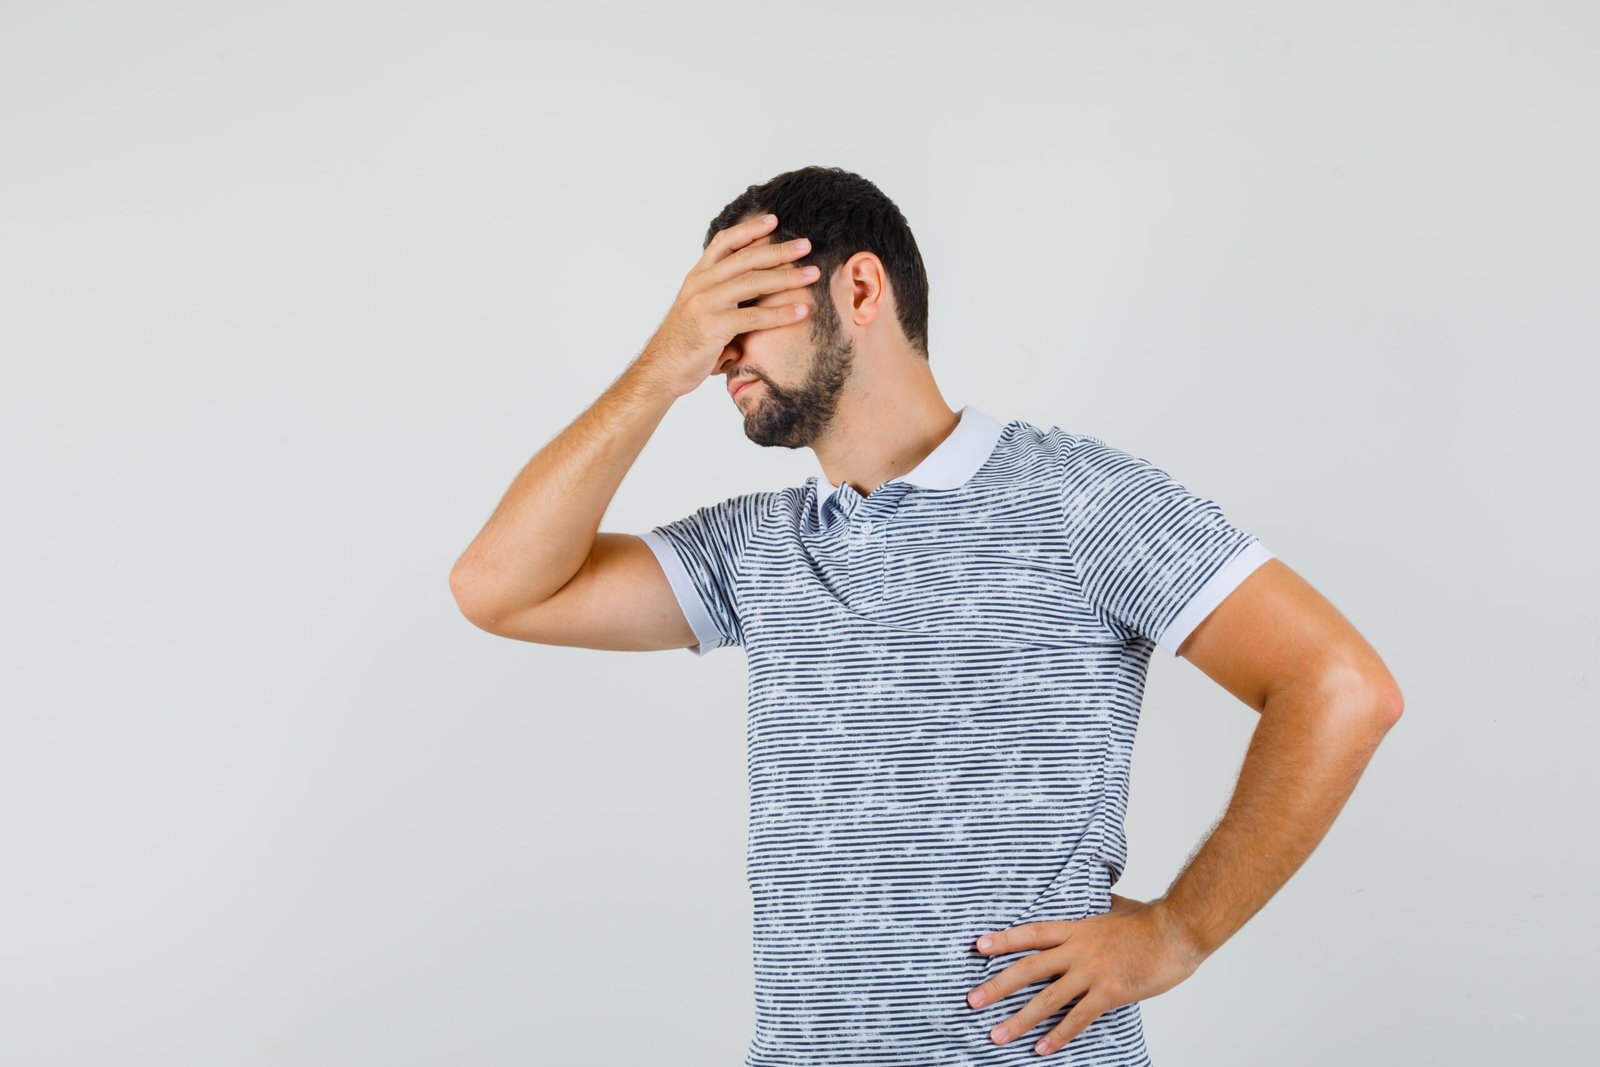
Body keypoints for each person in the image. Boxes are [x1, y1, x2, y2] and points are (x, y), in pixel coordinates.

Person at [449, 165, 1404, 1065]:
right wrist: (658, 367)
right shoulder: (759, 545)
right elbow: (500, 587)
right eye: (703, 327)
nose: (718, 358)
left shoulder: (1076, 498)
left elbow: (1340, 685)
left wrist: (1178, 931)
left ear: (861, 292)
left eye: (739, 314)